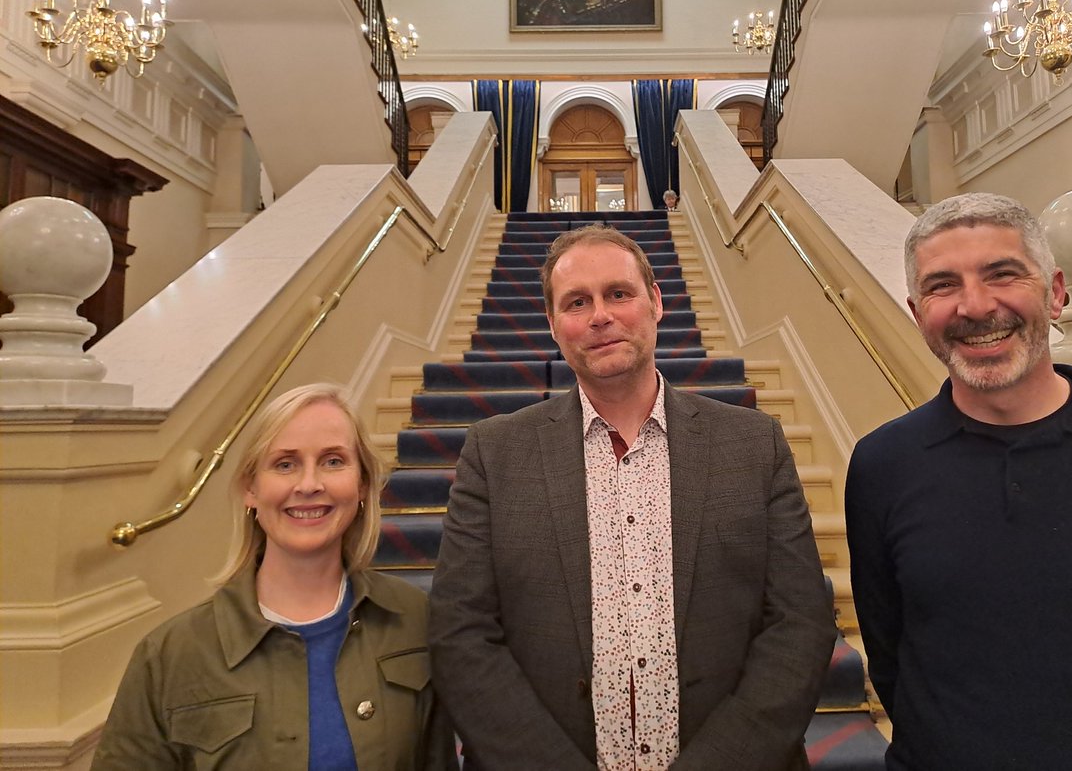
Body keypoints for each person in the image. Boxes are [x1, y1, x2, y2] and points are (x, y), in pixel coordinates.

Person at [430, 224, 835, 770]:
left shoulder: (754, 444)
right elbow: (461, 632)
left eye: (618, 293)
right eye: (577, 302)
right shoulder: (494, 454)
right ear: (553, 324)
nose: (600, 316)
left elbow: (800, 623)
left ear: (656, 302)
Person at [845, 193, 1072, 769]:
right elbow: (891, 654)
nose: (975, 306)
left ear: (1055, 293)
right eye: (942, 286)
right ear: (917, 313)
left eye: (1002, 275)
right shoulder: (882, 465)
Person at [92, 383, 456, 770]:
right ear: (250, 488)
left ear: (362, 484)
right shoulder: (170, 654)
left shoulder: (413, 618)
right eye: (285, 464)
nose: (309, 484)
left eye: (333, 461)